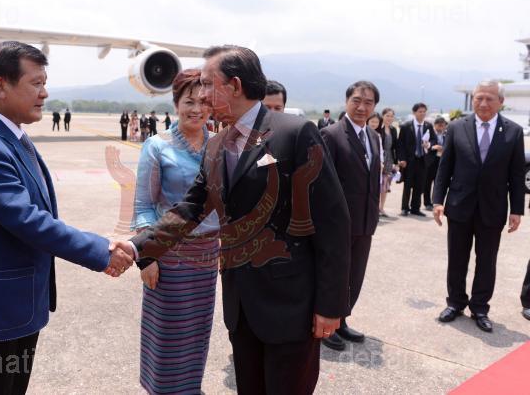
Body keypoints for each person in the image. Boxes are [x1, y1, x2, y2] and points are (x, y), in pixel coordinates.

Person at [119, 45, 351, 393]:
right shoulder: (216, 146)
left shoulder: (294, 133)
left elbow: (333, 224)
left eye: (207, 84)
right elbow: (190, 209)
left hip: (291, 305)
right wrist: (137, 248)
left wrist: (330, 306)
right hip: (241, 306)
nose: (202, 95)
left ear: (235, 85)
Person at [0, 41, 133, 395]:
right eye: (36, 83)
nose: (45, 93)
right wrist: (102, 250)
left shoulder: (9, 135)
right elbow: (27, 220)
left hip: (14, 309)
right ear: (0, 86)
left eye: (45, 83)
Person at [132, 69, 220, 394]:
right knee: (167, 332)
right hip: (169, 256)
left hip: (207, 257)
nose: (197, 109)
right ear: (176, 104)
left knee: (197, 332)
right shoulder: (157, 146)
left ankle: (190, 388)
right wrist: (146, 257)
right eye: (189, 102)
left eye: (203, 102)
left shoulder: (220, 145)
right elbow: (143, 205)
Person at [434, 80, 525, 333]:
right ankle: (455, 303)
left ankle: (480, 307)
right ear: (473, 99)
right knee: (457, 258)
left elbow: (517, 175)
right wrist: (438, 200)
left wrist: (517, 210)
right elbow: (445, 167)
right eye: (479, 98)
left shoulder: (514, 132)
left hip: (493, 208)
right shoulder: (457, 127)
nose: (483, 103)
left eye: (489, 98)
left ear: (501, 102)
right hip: (459, 205)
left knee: (487, 261)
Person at [320, 81, 382, 352]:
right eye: (356, 100)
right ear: (347, 101)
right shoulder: (331, 135)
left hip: (365, 221)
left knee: (354, 277)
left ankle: (342, 320)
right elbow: (323, 182)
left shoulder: (374, 137)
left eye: (368, 103)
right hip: (338, 224)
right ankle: (327, 326)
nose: (361, 107)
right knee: (334, 277)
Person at [397, 103, 437, 216]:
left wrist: (429, 144)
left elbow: (434, 140)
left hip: (423, 160)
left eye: (424, 112)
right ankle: (405, 208)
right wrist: (402, 159)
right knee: (407, 184)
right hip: (410, 160)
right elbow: (401, 144)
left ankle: (415, 208)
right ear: (414, 112)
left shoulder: (428, 126)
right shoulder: (406, 126)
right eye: (420, 111)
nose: (422, 114)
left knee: (420, 185)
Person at [423, 116, 448, 210]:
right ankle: (427, 202)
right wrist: (433, 147)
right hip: (431, 161)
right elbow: (425, 144)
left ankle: (435, 202)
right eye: (439, 125)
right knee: (427, 182)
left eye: (443, 126)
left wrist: (443, 148)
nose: (441, 128)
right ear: (435, 125)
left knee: (438, 182)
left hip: (441, 160)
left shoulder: (446, 134)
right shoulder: (429, 133)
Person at [378, 108, 399, 217]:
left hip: (389, 158)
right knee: (377, 183)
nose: (389, 118)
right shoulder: (378, 128)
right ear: (382, 116)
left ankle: (381, 207)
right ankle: (375, 207)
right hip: (379, 157)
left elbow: (395, 147)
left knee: (385, 184)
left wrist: (396, 162)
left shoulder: (393, 129)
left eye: (391, 116)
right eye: (387, 115)